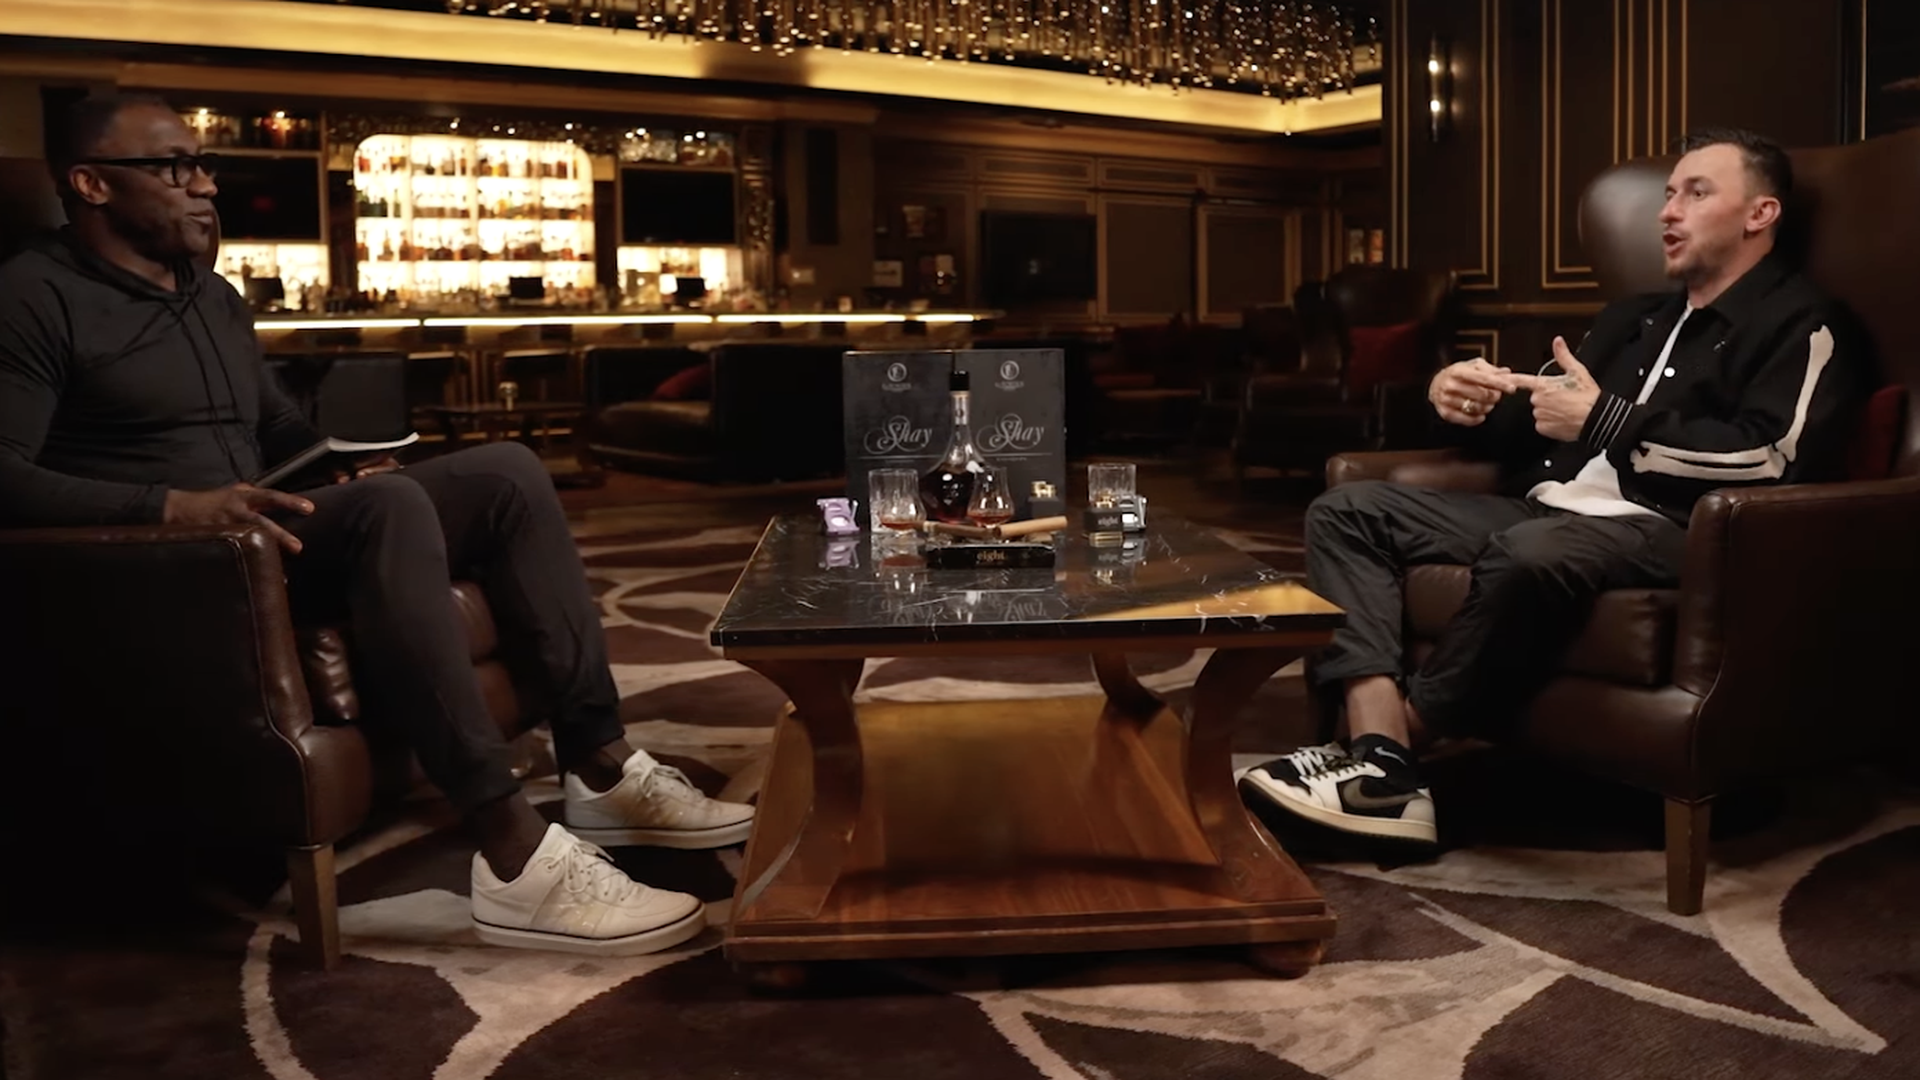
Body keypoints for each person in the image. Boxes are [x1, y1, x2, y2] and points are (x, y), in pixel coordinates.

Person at [0, 93, 753, 957]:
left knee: (505, 472)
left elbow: (275, 428)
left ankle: (603, 762)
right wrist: (171, 506)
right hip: (169, 565)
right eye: (174, 167)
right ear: (91, 184)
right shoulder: (31, 296)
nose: (203, 185)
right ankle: (512, 851)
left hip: (270, 533)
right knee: (389, 509)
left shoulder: (211, 295)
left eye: (203, 165)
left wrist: (336, 466)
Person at [1239, 128, 1870, 846]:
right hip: (1545, 506)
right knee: (1347, 510)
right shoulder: (1634, 319)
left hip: (1669, 527)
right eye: (1669, 194)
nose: (1668, 211)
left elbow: (1771, 459)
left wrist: (1605, 420)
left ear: (1761, 213)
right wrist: (1457, 398)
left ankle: (1383, 764)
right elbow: (1528, 416)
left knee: (1534, 551)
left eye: (1696, 194)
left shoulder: (1804, 323)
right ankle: (1381, 756)